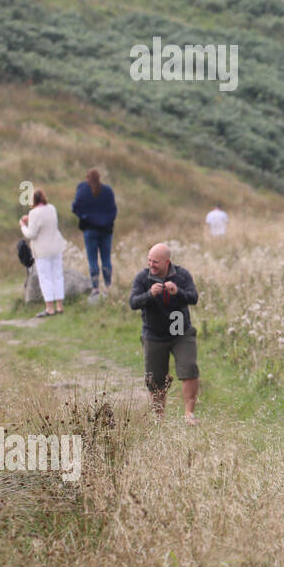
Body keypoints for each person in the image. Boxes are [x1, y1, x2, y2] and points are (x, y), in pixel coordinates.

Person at [129, 242, 200, 424]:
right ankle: (159, 418)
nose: (151, 265)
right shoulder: (142, 278)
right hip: (154, 334)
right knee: (155, 380)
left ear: (167, 262)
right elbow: (133, 303)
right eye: (149, 261)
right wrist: (149, 295)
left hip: (180, 332)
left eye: (156, 262)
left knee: (189, 368)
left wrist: (178, 292)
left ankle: (189, 414)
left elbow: (193, 297)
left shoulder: (182, 275)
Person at [20, 189, 66, 317]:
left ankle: (49, 308)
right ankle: (60, 306)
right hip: (56, 247)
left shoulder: (33, 213)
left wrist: (23, 225)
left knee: (45, 279)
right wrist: (31, 218)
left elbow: (31, 234)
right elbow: (46, 221)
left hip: (43, 250)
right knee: (58, 276)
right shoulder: (52, 208)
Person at [71, 168, 117, 298]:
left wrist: (85, 217)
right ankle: (108, 286)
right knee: (106, 259)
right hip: (106, 230)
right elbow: (113, 210)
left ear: (87, 178)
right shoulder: (107, 191)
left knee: (92, 260)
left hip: (90, 229)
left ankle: (95, 287)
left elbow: (75, 207)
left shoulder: (82, 190)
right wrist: (106, 221)